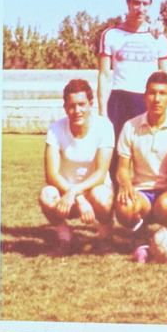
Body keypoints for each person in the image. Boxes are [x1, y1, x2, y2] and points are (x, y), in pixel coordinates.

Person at [114, 71, 167, 261]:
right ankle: (140, 236)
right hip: (142, 194)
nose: (157, 99)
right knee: (123, 206)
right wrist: (126, 184)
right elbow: (122, 167)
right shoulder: (130, 126)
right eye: (152, 93)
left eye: (162, 93)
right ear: (145, 96)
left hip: (166, 194)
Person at [39, 78, 114, 251]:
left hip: (94, 192)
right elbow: (51, 175)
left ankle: (104, 236)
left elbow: (101, 174)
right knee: (46, 195)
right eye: (72, 106)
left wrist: (77, 192)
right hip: (67, 193)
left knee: (103, 198)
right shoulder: (55, 129)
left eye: (82, 104)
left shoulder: (104, 126)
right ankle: (65, 237)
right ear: (65, 107)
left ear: (91, 104)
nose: (77, 110)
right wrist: (75, 195)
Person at [98, 0, 167, 141]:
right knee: (116, 155)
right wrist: (102, 112)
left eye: (145, 4)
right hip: (119, 100)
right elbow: (104, 76)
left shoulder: (159, 37)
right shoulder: (111, 35)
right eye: (137, 2)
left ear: (150, 5)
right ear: (128, 2)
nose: (141, 8)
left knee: (146, 154)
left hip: (147, 99)